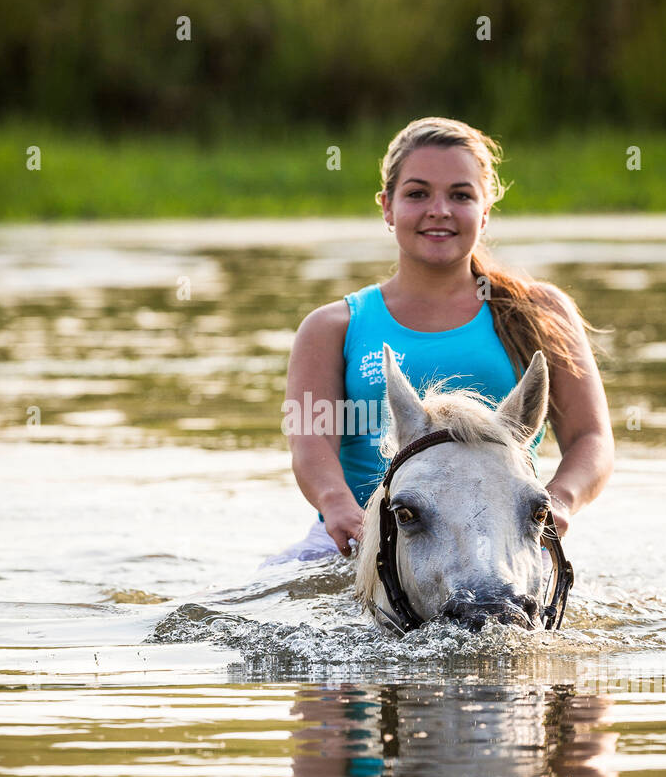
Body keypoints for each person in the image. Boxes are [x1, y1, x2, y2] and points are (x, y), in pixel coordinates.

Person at [261, 116, 614, 568]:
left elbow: (591, 437)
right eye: (417, 193)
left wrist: (558, 503)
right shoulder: (331, 327)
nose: (439, 209)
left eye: (461, 195)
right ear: (387, 206)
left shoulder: (540, 311)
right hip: (357, 542)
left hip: (505, 545)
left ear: (485, 212)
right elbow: (310, 442)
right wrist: (338, 507)